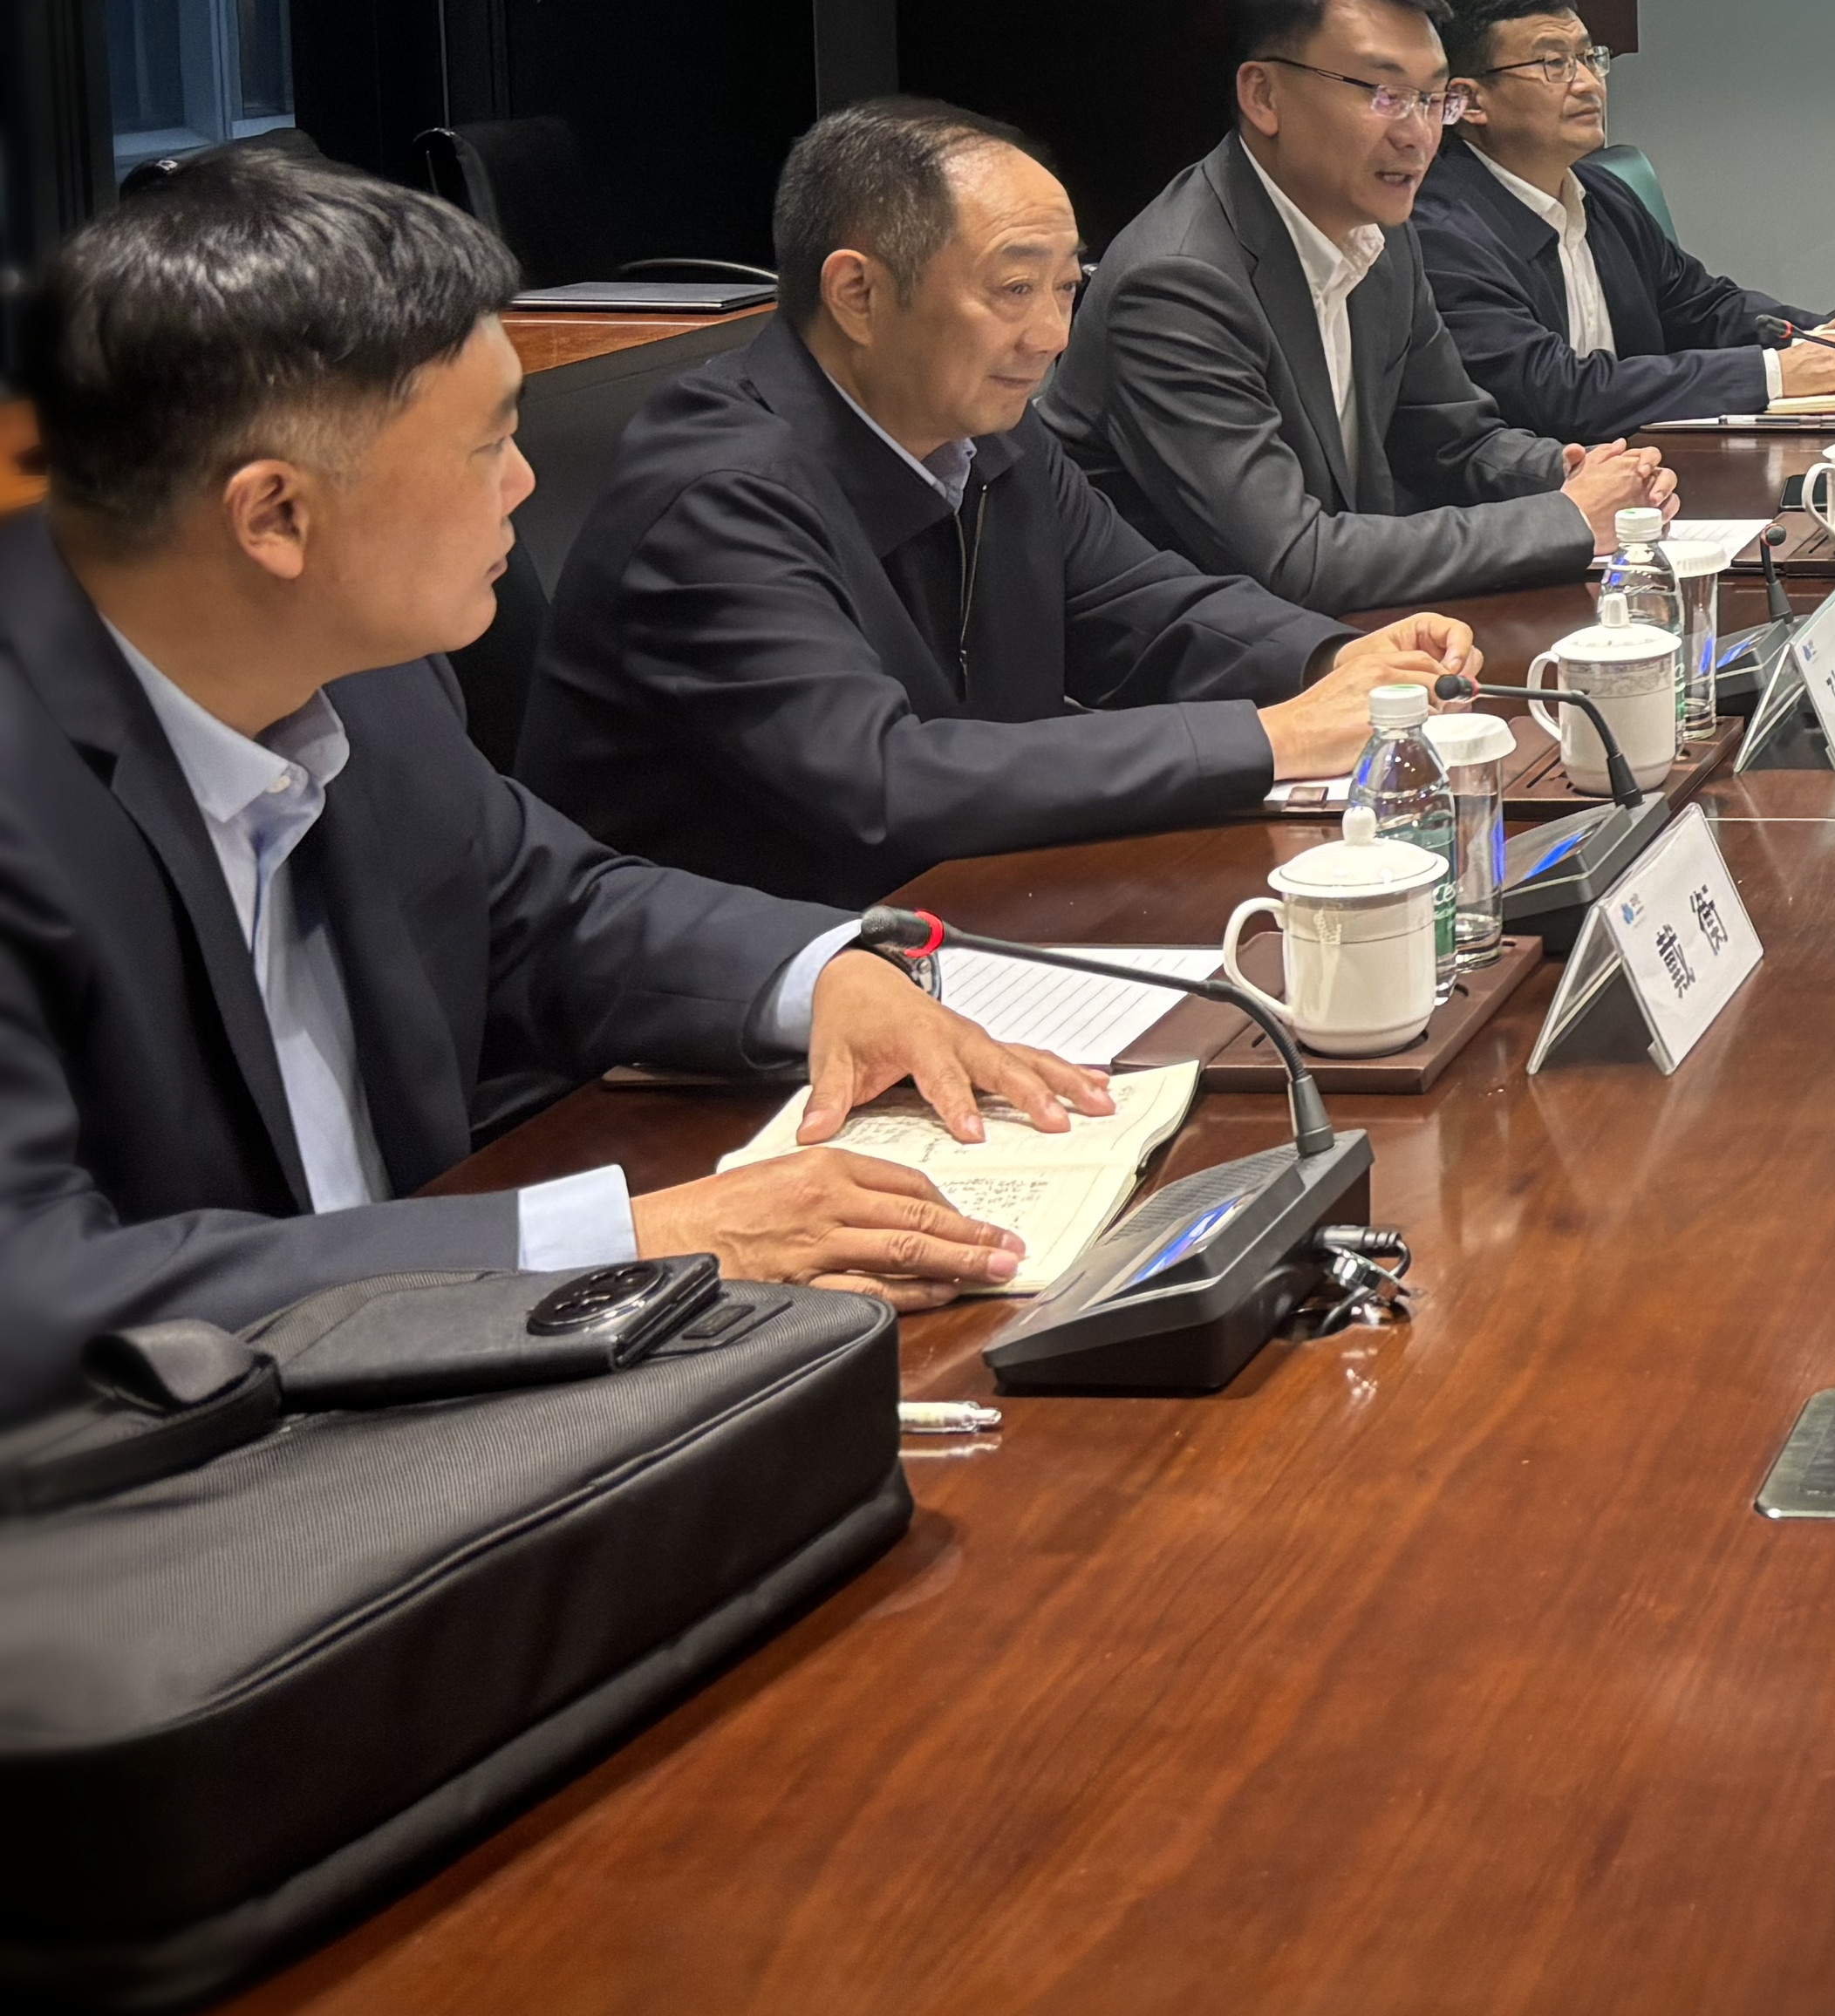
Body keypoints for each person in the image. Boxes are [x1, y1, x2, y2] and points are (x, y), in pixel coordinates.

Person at [0, 154, 1109, 1416]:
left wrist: (827, 977)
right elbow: (37, 1290)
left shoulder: (368, 680)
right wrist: (623, 1238)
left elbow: (549, 905)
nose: (527, 487)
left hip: (431, 1401)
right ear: (276, 519)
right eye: (488, 446)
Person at [522, 99, 1479, 911]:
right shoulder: (719, 495)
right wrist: (1273, 738)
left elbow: (1143, 608)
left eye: (1066, 289)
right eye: (1014, 289)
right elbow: (884, 783)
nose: (1052, 336)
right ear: (857, 293)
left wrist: (1337, 661)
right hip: (725, 1005)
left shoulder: (992, 434)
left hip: (964, 914)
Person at [1040, 0, 1675, 614]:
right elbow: (1292, 558)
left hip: (1353, 629)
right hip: (1208, 656)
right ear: (1263, 95)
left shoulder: (1379, 231)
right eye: (1384, 94)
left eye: (1432, 99)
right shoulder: (1177, 283)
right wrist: (1568, 518)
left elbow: (1451, 441)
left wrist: (1573, 471)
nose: (1417, 134)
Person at [1414, 0, 1835, 439]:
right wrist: (1775, 373)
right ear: (1468, 102)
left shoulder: (1601, 193)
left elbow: (1701, 307)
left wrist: (1819, 336)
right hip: (1545, 480)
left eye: (1589, 58)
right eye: (1553, 64)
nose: (1589, 84)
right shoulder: (1441, 232)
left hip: (1643, 461)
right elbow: (1555, 392)